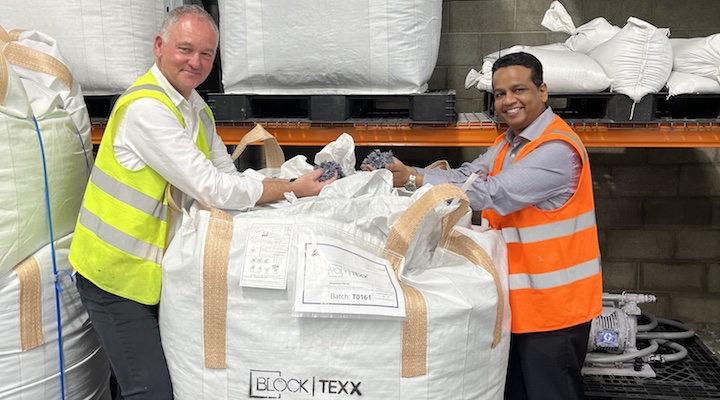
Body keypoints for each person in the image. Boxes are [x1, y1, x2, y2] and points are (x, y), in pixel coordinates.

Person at [68, 5, 334, 399]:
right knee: (151, 390)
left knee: (149, 378)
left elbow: (227, 177)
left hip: (154, 275)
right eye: (185, 49)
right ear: (159, 47)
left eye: (206, 54)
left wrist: (284, 192)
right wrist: (293, 187)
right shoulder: (147, 110)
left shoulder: (196, 109)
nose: (196, 62)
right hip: (114, 276)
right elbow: (214, 189)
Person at [369, 52, 602, 400]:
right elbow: (467, 176)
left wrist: (419, 184)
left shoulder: (556, 148)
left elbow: (494, 194)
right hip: (520, 306)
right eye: (500, 93)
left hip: (554, 310)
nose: (508, 101)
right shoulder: (508, 143)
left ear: (543, 91)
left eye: (518, 90)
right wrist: (411, 175)